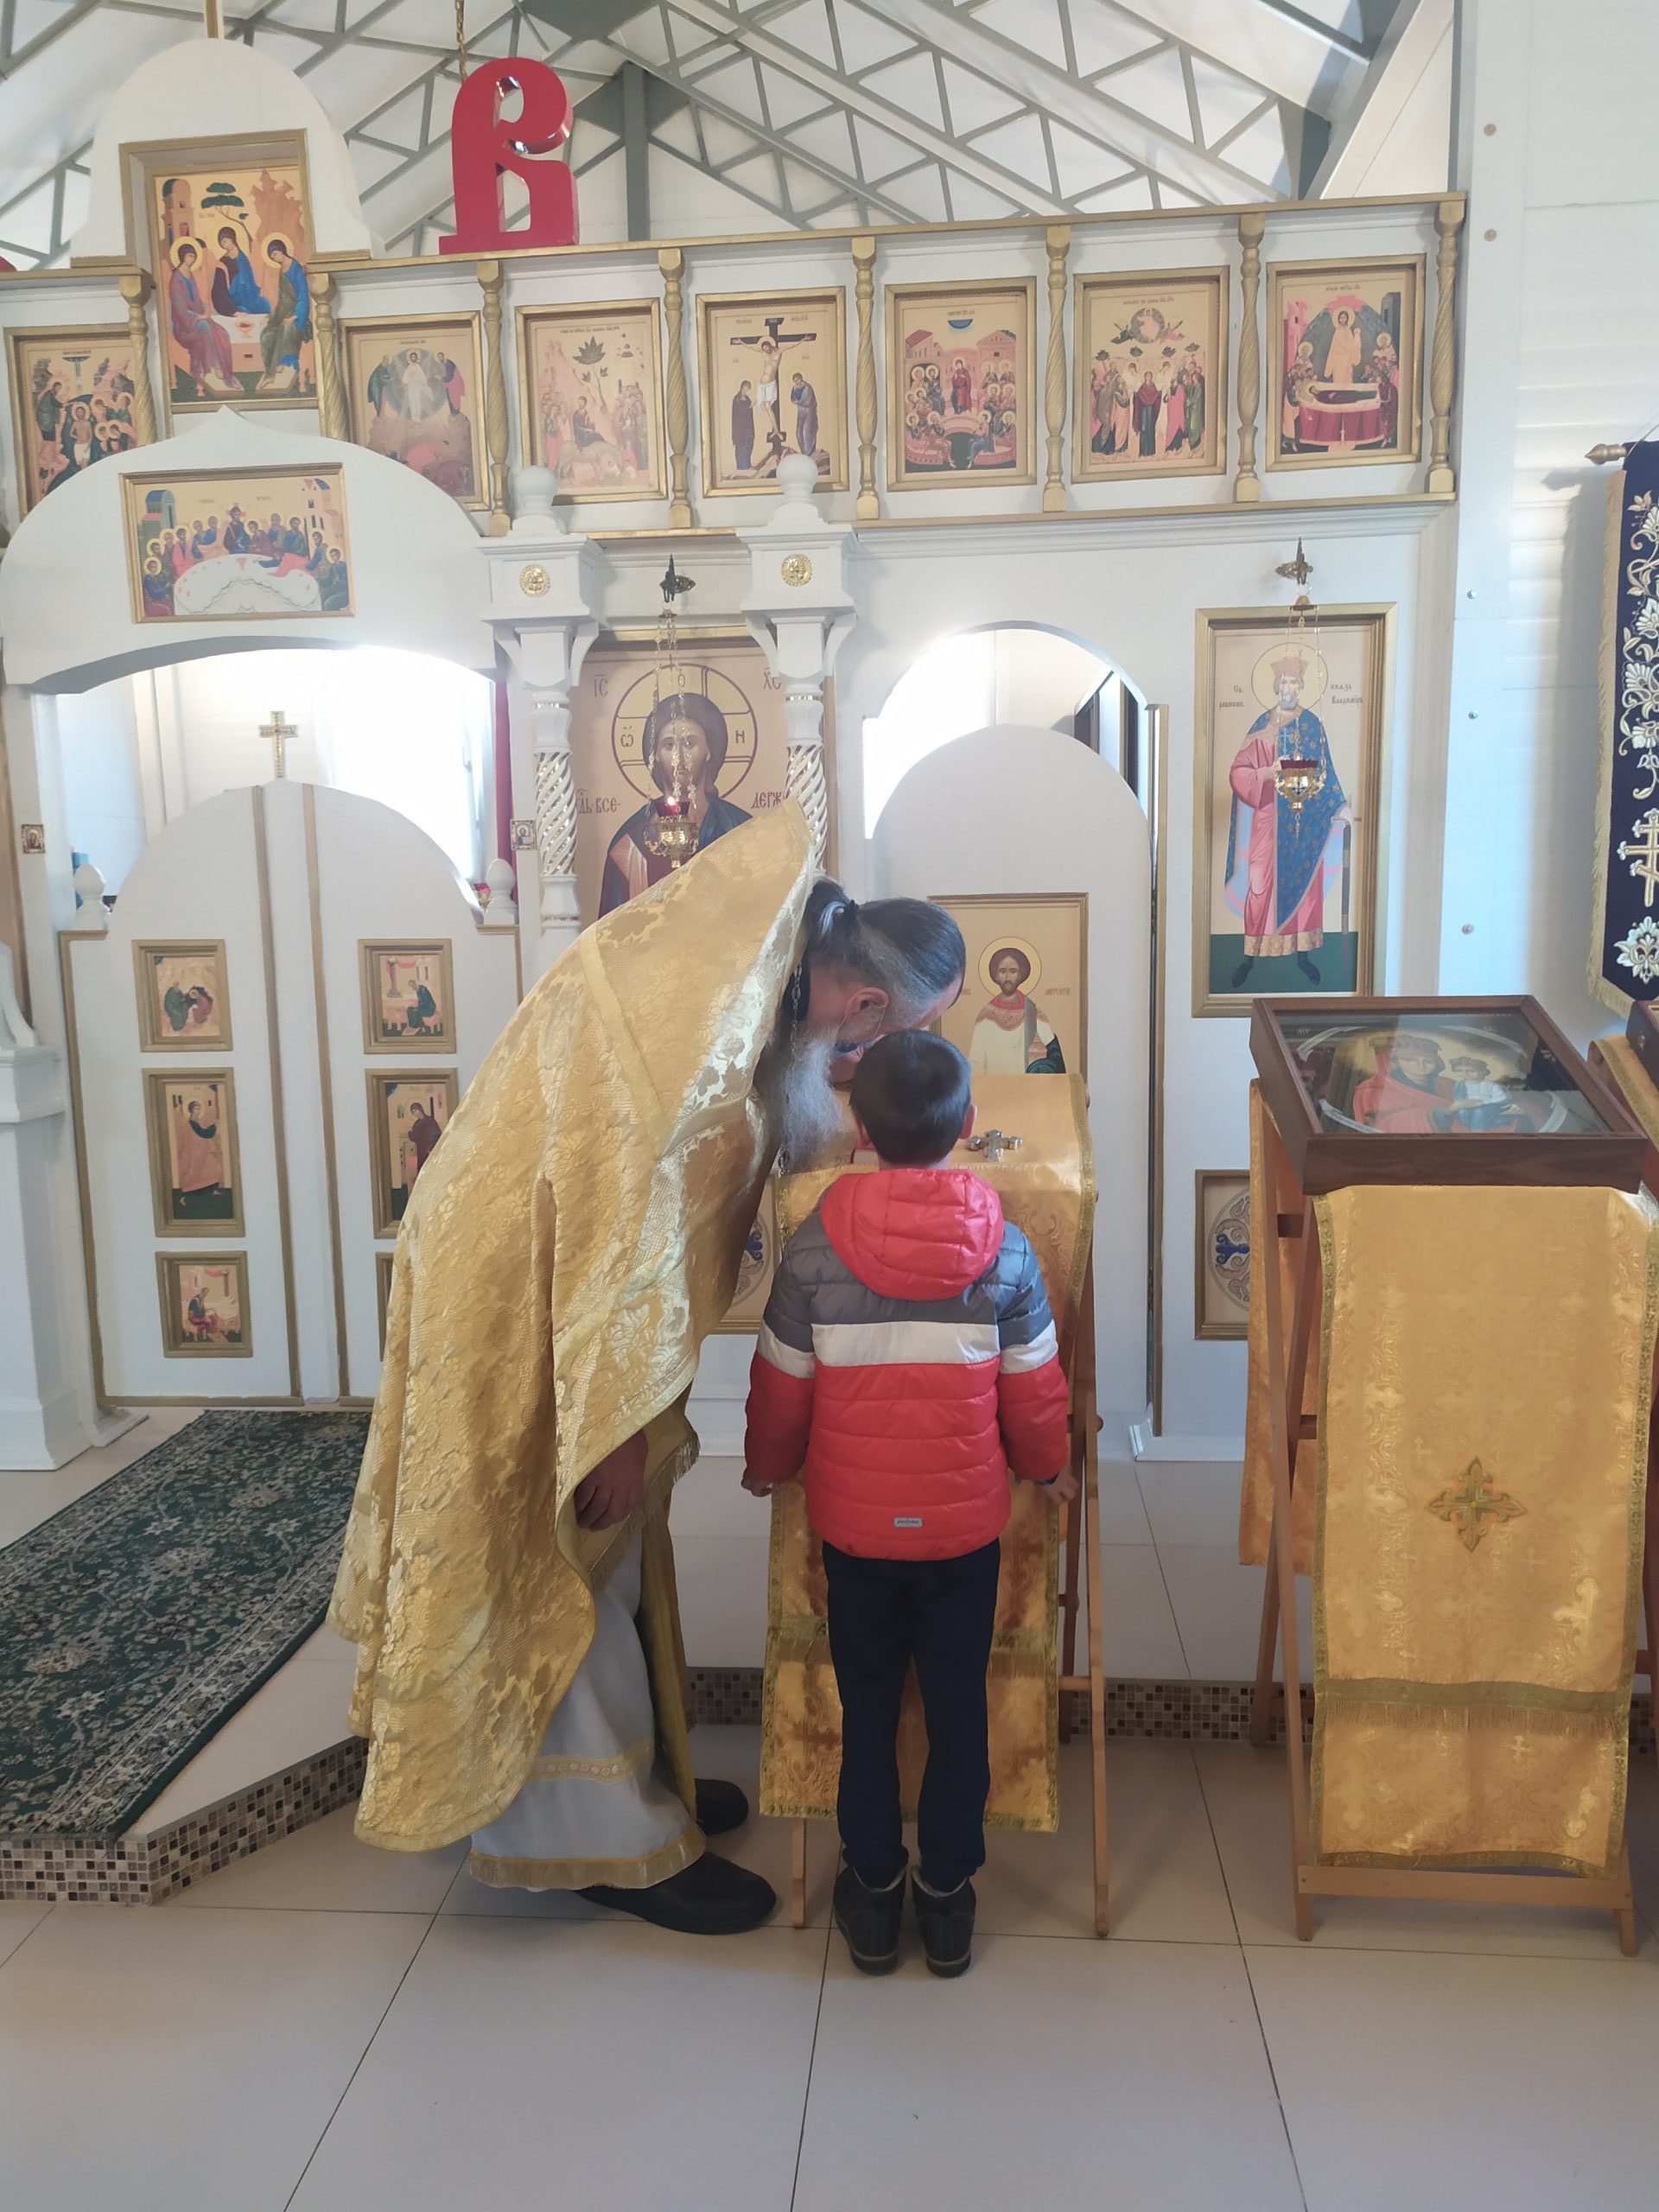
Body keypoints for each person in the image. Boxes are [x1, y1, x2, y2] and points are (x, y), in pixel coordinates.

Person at [331, 807, 969, 1939]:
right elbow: (619, 1230)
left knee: (611, 1541)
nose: (874, 1058)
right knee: (564, 1531)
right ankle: (595, 1838)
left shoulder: (757, 961)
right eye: (896, 1036)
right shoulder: (712, 1016)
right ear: (867, 1005)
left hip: (547, 1260)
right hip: (528, 1289)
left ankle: (633, 1767)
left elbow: (707, 1164)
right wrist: (614, 1425)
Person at [742, 1031, 1072, 1977]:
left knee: (870, 1705)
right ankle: (950, 1896)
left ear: (858, 1127)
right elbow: (1035, 1388)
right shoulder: (1006, 1251)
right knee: (958, 1707)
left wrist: (767, 1463)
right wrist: (1049, 1466)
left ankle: (875, 1890)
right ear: (968, 1123)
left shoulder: (813, 1252)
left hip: (856, 1534)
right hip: (965, 1533)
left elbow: (782, 1386)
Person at [1224, 653, 1351, 989]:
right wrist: (1268, 772)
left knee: (1306, 887)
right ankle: (1250, 956)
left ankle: (1303, 955)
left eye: (1295, 681)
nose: (1289, 687)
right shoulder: (1261, 727)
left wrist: (1339, 805)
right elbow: (1238, 772)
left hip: (1304, 822)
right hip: (1268, 819)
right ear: (1276, 686)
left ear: (1301, 686)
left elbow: (1326, 771)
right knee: (1259, 883)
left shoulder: (1312, 725)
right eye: (1284, 682)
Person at [598, 690, 753, 915]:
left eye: (689, 743)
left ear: (709, 751)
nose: (679, 756)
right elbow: (612, 927)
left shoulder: (740, 831)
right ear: (656, 755)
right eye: (669, 745)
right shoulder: (631, 845)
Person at [969, 948, 1065, 1075]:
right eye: (1003, 971)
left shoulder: (1032, 1012)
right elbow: (976, 1062)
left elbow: (1054, 1056)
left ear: (1020, 975)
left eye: (1013, 971)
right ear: (996, 976)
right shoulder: (986, 1015)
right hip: (993, 1085)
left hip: (1026, 1085)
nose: (1008, 977)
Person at [168, 245, 237, 397]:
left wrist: (204, 312)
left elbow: (196, 301)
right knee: (205, 327)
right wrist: (198, 317)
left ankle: (225, 371)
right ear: (182, 256)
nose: (192, 260)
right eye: (189, 256)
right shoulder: (176, 279)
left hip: (196, 320)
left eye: (194, 256)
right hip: (183, 327)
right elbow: (180, 309)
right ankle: (214, 367)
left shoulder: (189, 275)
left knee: (221, 332)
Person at [259, 237, 310, 392]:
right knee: (266, 334)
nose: (275, 258)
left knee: (284, 329)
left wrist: (294, 316)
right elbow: (282, 300)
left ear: (281, 250)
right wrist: (271, 316)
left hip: (298, 316)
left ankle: (273, 371)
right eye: (272, 257)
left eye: (275, 254)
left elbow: (303, 297)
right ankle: (270, 370)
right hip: (282, 314)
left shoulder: (296, 269)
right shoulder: (282, 271)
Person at [211, 226, 270, 317]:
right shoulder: (223, 263)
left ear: (231, 238)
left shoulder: (243, 257)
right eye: (222, 244)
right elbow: (218, 291)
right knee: (247, 313)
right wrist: (233, 311)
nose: (224, 246)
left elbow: (250, 279)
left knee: (265, 305)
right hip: (234, 301)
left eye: (225, 241)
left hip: (249, 296)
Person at [791, 368, 819, 462]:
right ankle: (804, 452)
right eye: (795, 381)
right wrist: (797, 402)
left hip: (809, 412)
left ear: (801, 379)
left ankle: (809, 453)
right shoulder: (795, 388)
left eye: (797, 380)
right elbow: (792, 399)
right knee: (798, 432)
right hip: (801, 412)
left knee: (807, 432)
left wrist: (798, 402)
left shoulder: (808, 388)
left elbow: (808, 402)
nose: (796, 382)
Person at [731, 378, 755, 473]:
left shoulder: (748, 399)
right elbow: (737, 414)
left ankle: (747, 465)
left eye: (748, 388)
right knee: (741, 446)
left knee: (749, 445)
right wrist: (748, 408)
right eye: (746, 387)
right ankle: (741, 466)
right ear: (742, 387)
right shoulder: (737, 399)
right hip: (740, 429)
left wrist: (750, 408)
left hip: (748, 427)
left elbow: (749, 415)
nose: (746, 390)